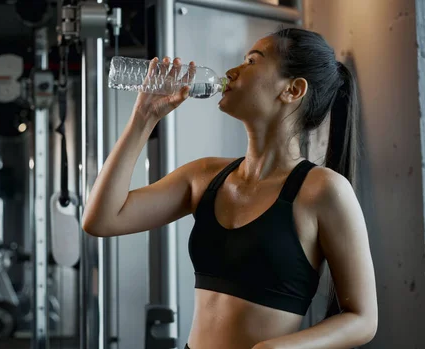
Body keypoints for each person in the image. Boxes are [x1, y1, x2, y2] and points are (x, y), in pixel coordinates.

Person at [82, 27, 378, 349]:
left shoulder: (323, 190)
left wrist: (278, 347)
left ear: (292, 89)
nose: (232, 71)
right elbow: (102, 219)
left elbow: (363, 318)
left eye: (252, 61)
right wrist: (143, 117)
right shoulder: (206, 175)